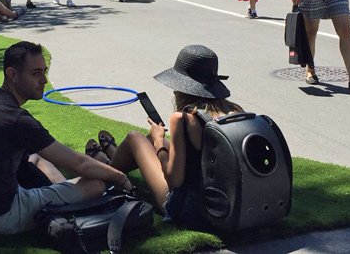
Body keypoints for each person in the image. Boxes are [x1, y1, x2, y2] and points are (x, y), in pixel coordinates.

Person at [0, 41, 133, 234]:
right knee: (95, 185)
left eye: (44, 72)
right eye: (36, 73)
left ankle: (63, 190)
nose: (44, 80)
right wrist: (120, 177)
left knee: (39, 155)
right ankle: (66, 200)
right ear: (12, 74)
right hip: (0, 215)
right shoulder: (17, 119)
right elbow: (79, 164)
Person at [85, 44, 243, 228]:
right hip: (224, 203)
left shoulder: (183, 118)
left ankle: (108, 168)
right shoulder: (235, 110)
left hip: (188, 209)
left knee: (135, 138)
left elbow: (174, 179)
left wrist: (159, 140)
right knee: (149, 140)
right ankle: (112, 155)